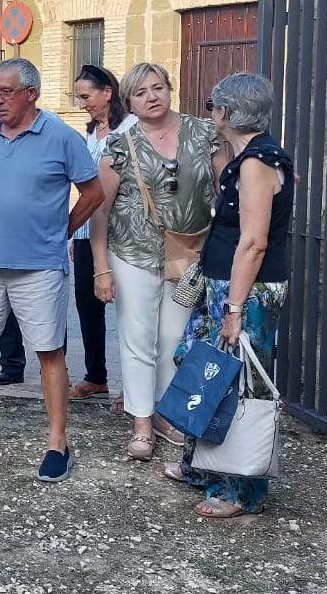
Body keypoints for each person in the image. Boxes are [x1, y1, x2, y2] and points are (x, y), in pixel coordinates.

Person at [0, 59, 103, 484]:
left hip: (40, 266)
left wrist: (61, 228)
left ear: (31, 93)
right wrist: (0, 216)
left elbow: (94, 191)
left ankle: (57, 442)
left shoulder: (62, 138)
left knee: (49, 351)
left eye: (6, 91)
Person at [164, 73, 294, 518]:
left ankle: (239, 488)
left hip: (246, 292)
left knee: (239, 384)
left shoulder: (259, 163)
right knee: (203, 369)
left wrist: (234, 307)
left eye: (212, 105)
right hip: (222, 284)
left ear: (227, 112)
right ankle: (203, 466)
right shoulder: (244, 157)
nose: (209, 112)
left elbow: (254, 241)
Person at [89, 62, 223, 461]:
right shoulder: (120, 144)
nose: (152, 96)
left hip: (190, 254)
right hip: (134, 253)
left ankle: (166, 413)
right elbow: (100, 210)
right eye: (142, 92)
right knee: (137, 337)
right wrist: (101, 267)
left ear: (169, 89)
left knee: (174, 338)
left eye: (158, 87)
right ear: (128, 100)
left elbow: (225, 186)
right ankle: (142, 423)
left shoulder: (203, 133)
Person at [67, 65, 137, 404]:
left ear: (108, 91)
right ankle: (96, 376)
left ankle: (134, 385)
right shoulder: (90, 133)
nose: (82, 104)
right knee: (87, 305)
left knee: (129, 309)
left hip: (123, 234)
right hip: (85, 233)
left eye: (86, 96)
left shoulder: (131, 128)